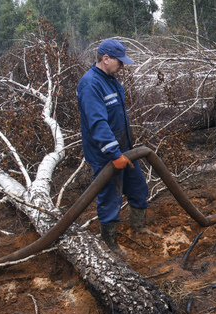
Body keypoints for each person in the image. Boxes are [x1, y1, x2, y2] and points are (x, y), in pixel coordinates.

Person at [77, 38, 149, 259]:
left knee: (138, 188)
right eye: (119, 61)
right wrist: (113, 154)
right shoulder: (91, 84)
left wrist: (123, 150)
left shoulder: (110, 80)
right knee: (110, 198)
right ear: (105, 59)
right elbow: (98, 123)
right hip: (105, 155)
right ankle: (110, 245)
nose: (123, 66)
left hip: (124, 150)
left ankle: (139, 227)